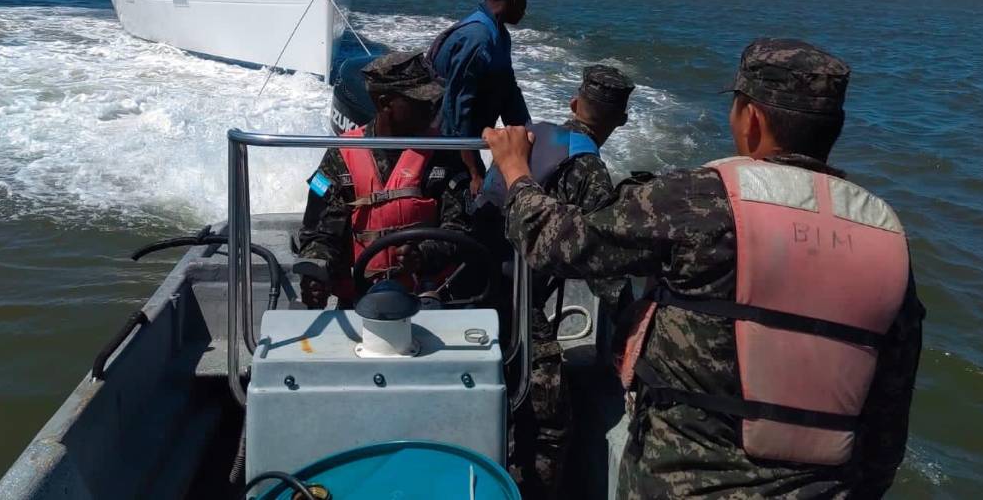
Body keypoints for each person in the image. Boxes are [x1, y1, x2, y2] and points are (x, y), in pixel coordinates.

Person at [487, 39, 925, 498]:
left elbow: (558, 242)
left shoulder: (700, 200)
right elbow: (889, 419)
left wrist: (517, 171)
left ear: (751, 119)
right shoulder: (886, 234)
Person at [472, 65, 635, 499]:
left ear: (572, 104)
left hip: (469, 282)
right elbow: (605, 269)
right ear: (619, 121)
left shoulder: (532, 137)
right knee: (549, 418)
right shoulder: (589, 169)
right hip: (512, 302)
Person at [294, 51, 469, 308]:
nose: (432, 108)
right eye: (420, 100)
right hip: (360, 300)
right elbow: (318, 233)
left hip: (428, 299)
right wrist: (316, 273)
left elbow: (459, 230)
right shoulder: (339, 156)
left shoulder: (443, 155)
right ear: (384, 102)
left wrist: (423, 253)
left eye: (434, 99)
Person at [427, 0, 531, 195]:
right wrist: (474, 172)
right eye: (525, 0)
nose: (525, 9)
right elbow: (456, 109)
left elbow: (508, 90)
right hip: (448, 148)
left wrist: (530, 135)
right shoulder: (478, 39)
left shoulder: (499, 35)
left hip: (466, 142)